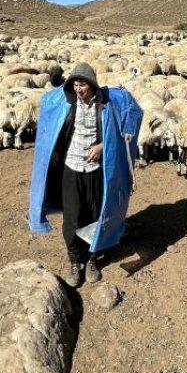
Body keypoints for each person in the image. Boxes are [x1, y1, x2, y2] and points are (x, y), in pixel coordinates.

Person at [28, 62, 143, 287]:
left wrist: (102, 147)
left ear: (92, 84)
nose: (79, 89)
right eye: (75, 85)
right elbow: (49, 116)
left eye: (82, 84)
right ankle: (74, 260)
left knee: (94, 214)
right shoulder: (67, 104)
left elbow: (131, 116)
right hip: (71, 168)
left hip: (97, 171)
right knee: (71, 217)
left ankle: (92, 258)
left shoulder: (107, 105)